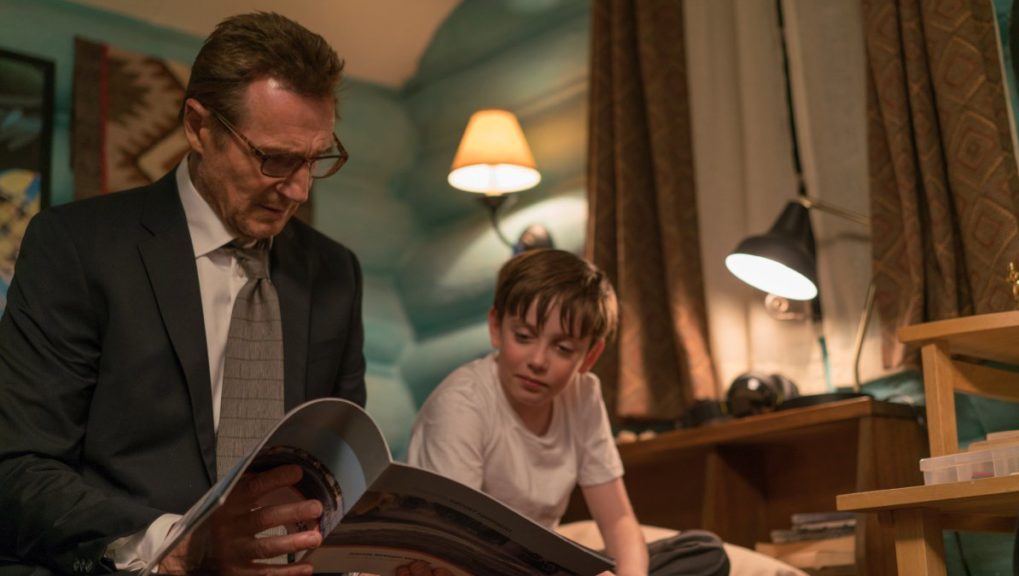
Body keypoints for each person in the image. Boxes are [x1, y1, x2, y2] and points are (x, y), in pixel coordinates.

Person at [0, 12, 365, 575]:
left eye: (316, 160)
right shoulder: (76, 246)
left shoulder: (336, 273)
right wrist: (178, 548)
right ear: (198, 127)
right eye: (275, 159)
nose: (297, 190)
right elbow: (18, 468)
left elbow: (342, 469)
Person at [407, 249, 730, 576]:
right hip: (468, 565)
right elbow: (457, 544)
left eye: (562, 348)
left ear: (589, 356)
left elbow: (618, 520)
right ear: (496, 327)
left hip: (539, 567)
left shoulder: (583, 394)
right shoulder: (461, 403)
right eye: (523, 337)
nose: (538, 361)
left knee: (703, 552)